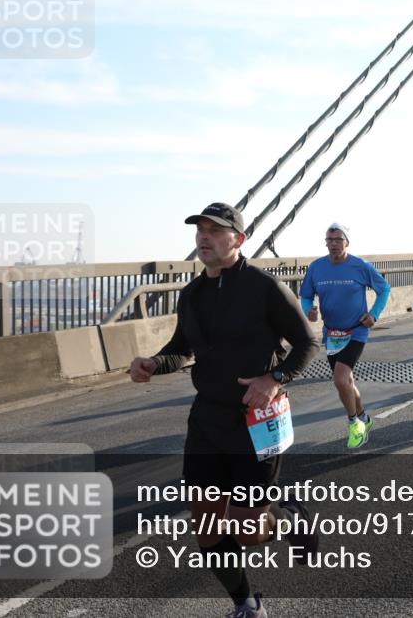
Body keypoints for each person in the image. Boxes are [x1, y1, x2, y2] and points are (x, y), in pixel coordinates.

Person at [129, 202, 321, 618]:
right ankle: (247, 604)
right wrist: (153, 363)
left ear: (239, 239)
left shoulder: (264, 287)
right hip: (207, 421)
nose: (204, 237)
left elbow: (309, 344)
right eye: (200, 230)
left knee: (248, 531)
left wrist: (274, 379)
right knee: (207, 528)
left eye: (215, 230)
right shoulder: (192, 294)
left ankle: (289, 517)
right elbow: (181, 349)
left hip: (255, 421)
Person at [299, 223, 391, 449]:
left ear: (347, 242)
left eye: (338, 240)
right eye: (329, 240)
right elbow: (306, 296)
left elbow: (384, 289)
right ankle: (364, 419)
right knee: (346, 382)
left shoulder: (360, 266)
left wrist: (374, 314)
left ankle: (354, 425)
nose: (333, 244)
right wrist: (309, 311)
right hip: (331, 333)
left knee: (340, 379)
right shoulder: (316, 268)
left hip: (356, 331)